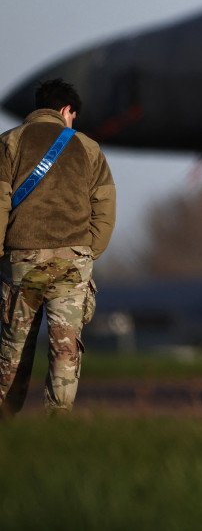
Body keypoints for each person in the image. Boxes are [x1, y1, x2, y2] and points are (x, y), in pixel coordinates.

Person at [0, 78, 115, 415]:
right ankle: (58, 426)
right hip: (72, 263)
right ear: (67, 110)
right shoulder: (88, 147)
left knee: (13, 351)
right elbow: (105, 207)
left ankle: (5, 424)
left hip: (22, 261)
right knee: (65, 351)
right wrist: (87, 251)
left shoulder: (9, 143)